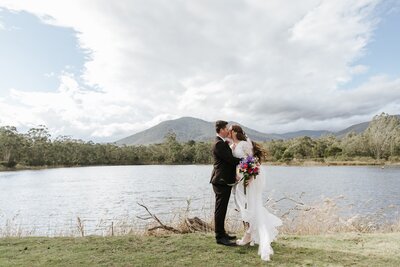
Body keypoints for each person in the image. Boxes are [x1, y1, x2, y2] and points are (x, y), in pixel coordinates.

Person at [229, 124, 282, 261]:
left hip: (248, 179)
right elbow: (236, 162)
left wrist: (250, 176)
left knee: (250, 206)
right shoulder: (232, 144)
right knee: (244, 206)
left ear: (234, 132)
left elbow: (252, 161)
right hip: (240, 179)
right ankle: (249, 233)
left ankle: (249, 235)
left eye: (230, 130)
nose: (229, 132)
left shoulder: (244, 144)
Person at [210, 120, 241, 246]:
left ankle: (222, 233)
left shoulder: (222, 143)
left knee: (222, 209)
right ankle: (219, 237)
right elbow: (231, 160)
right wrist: (247, 159)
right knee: (220, 209)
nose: (228, 130)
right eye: (226, 128)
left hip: (223, 181)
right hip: (221, 181)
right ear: (221, 130)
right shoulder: (219, 144)